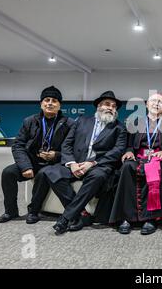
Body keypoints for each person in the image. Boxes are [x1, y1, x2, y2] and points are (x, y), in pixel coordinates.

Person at [42, 91, 127, 235]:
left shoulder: (119, 127)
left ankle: (66, 218)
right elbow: (67, 144)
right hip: (76, 163)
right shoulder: (81, 121)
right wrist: (71, 163)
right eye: (107, 104)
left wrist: (92, 163)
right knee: (50, 172)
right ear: (98, 106)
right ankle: (81, 213)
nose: (110, 108)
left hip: (98, 165)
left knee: (98, 176)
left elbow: (117, 151)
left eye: (114, 106)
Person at [0, 86, 74, 224]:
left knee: (43, 173)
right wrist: (25, 166)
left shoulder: (69, 123)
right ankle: (10, 211)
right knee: (8, 172)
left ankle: (34, 211)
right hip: (31, 161)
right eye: (46, 100)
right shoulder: (30, 121)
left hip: (54, 164)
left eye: (54, 100)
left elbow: (72, 149)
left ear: (59, 105)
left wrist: (56, 155)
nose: (50, 103)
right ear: (41, 103)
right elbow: (18, 145)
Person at [110, 93, 162, 235]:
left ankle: (151, 218)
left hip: (158, 160)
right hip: (138, 158)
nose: (156, 103)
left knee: (154, 169)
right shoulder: (136, 123)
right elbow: (128, 144)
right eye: (153, 101)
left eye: (160, 101)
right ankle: (126, 218)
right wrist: (129, 151)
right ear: (147, 105)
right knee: (127, 167)